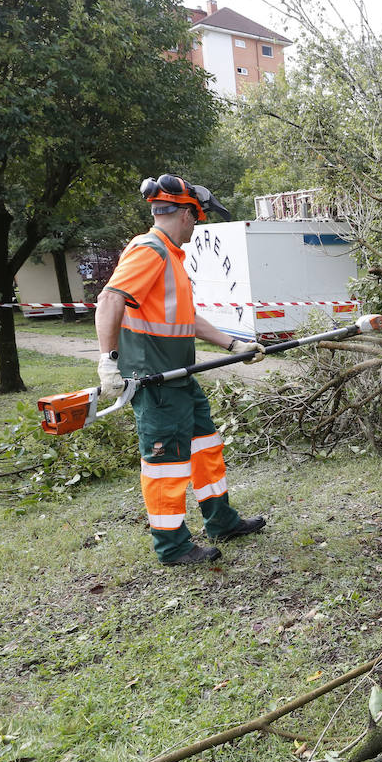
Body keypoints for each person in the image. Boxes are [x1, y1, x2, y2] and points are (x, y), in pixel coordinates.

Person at [95, 174, 268, 566]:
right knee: (165, 465)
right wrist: (108, 361)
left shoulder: (170, 255)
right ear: (187, 215)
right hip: (154, 380)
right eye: (199, 218)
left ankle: (221, 520)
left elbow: (185, 317)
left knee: (206, 446)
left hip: (179, 376)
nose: (198, 226)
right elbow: (109, 300)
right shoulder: (149, 251)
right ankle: (172, 547)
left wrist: (234, 345)